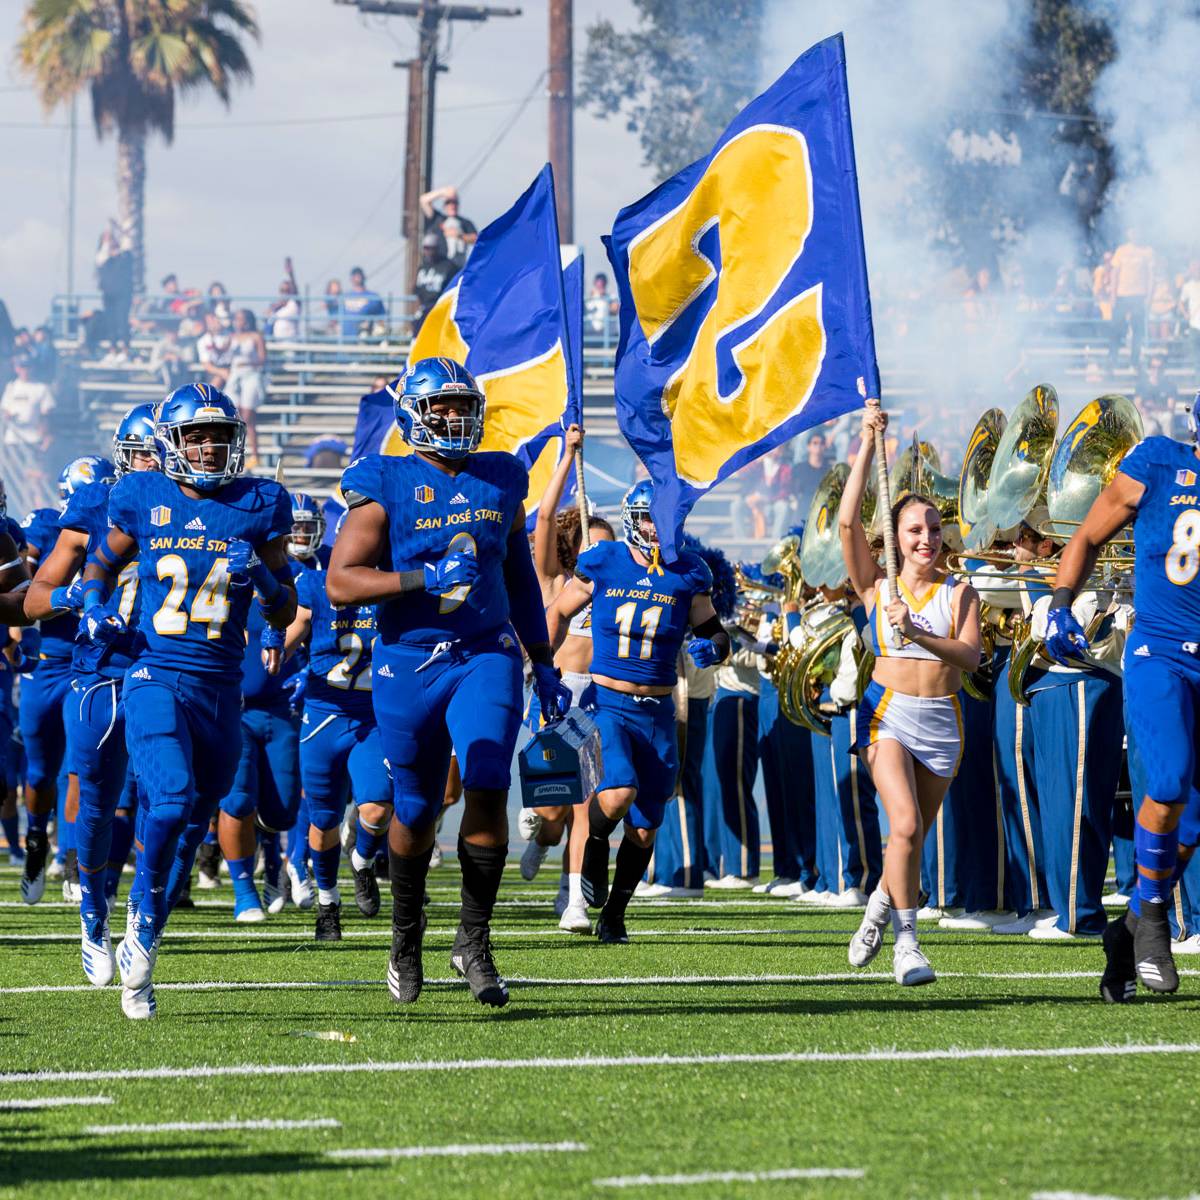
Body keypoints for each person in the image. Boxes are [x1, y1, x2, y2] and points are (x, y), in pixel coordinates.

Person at [327, 358, 571, 1008]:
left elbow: (519, 577)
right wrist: (417, 580)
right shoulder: (388, 481)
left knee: (489, 774)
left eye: (464, 408)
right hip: (407, 660)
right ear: (415, 415)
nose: (455, 420)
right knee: (414, 807)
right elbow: (341, 580)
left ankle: (474, 939)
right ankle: (406, 938)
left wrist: (542, 659)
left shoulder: (500, 476)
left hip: (482, 653)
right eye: (442, 409)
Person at [80, 383, 296, 1020]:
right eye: (195, 436)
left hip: (222, 687)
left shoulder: (260, 504)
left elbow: (284, 606)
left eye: (218, 436)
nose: (207, 448)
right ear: (172, 442)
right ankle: (137, 916)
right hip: (156, 674)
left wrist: (257, 575)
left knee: (192, 822)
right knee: (169, 798)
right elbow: (100, 560)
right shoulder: (141, 495)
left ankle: (148, 929)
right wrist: (93, 604)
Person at [1047, 402, 1200, 998]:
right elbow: (1087, 534)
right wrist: (1060, 604)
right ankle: (1155, 923)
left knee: (1190, 824)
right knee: (1166, 782)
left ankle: (1129, 927)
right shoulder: (1159, 462)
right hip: (1160, 652)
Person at [546, 481, 731, 943]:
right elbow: (559, 611)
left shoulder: (688, 571)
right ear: (632, 517)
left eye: (665, 517)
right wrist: (543, 663)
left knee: (647, 828)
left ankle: (615, 915)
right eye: (649, 516)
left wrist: (715, 648)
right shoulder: (604, 561)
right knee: (617, 793)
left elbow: (715, 630)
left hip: (660, 709)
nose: (657, 526)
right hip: (609, 702)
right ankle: (592, 845)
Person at [839, 401, 981, 985]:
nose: (926, 538)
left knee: (914, 837)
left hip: (943, 718)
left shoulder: (960, 590)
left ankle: (879, 902)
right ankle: (907, 944)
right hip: (887, 717)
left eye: (932, 528)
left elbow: (970, 657)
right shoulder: (877, 585)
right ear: (895, 537)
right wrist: (868, 442)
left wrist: (919, 631)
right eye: (913, 530)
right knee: (902, 827)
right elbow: (848, 525)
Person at [23, 407, 159, 984]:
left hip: (170, 670)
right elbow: (35, 600)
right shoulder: (96, 505)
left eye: (161, 449)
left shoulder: (212, 505)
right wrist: (75, 597)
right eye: (143, 450)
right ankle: (92, 912)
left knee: (168, 798)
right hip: (100, 669)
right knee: (99, 799)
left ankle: (144, 910)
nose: (151, 461)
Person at [520, 424, 616, 933]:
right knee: (555, 813)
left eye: (607, 547)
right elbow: (540, 521)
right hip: (560, 694)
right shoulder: (556, 580)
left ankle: (573, 896)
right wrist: (566, 458)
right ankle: (540, 839)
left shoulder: (617, 589)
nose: (598, 556)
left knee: (586, 803)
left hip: (602, 699)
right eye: (589, 546)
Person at [284, 511, 391, 941]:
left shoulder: (392, 586)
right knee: (324, 818)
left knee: (378, 805)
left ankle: (363, 860)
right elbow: (292, 628)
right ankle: (327, 902)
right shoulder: (313, 583)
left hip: (373, 714)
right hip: (325, 714)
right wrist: (273, 651)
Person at [14, 457, 115, 905]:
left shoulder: (121, 524)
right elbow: (25, 591)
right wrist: (64, 594)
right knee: (38, 774)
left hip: (85, 661)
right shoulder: (46, 526)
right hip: (44, 662)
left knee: (80, 768)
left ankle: (74, 858)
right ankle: (37, 839)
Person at [1108, 227, 1155, 367]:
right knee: (1115, 328)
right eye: (1132, 231)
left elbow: (1151, 276)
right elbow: (1114, 274)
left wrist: (1149, 297)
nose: (1135, 234)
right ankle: (1112, 359)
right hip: (1122, 295)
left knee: (1138, 330)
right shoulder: (1121, 251)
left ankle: (1134, 360)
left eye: (1138, 231)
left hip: (1139, 296)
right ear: (1128, 234)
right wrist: (1112, 295)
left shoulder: (1148, 251)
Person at [226, 309, 267, 466]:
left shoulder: (256, 337)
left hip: (251, 376)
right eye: (236, 318)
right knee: (233, 416)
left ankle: (255, 454)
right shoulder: (232, 337)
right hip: (235, 378)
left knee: (248, 417)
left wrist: (248, 363)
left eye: (241, 319)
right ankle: (235, 452)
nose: (238, 322)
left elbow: (263, 359)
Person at [413, 235, 459, 331]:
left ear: (437, 248)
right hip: (425, 309)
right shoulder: (422, 268)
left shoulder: (449, 266)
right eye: (426, 248)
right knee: (417, 335)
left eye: (431, 248)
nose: (429, 252)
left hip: (441, 309)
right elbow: (417, 290)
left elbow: (454, 290)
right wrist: (419, 309)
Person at [340, 267, 385, 340]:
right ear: (351, 278)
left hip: (364, 338)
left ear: (363, 277)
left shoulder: (373, 297)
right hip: (346, 338)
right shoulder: (344, 297)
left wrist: (382, 335)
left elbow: (381, 319)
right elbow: (335, 317)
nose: (357, 277)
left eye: (359, 275)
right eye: (355, 275)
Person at [266, 258, 301, 340]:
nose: (284, 293)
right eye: (282, 290)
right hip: (275, 341)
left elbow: (296, 291)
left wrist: (291, 274)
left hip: (290, 342)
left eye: (287, 290)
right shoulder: (276, 306)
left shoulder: (294, 304)